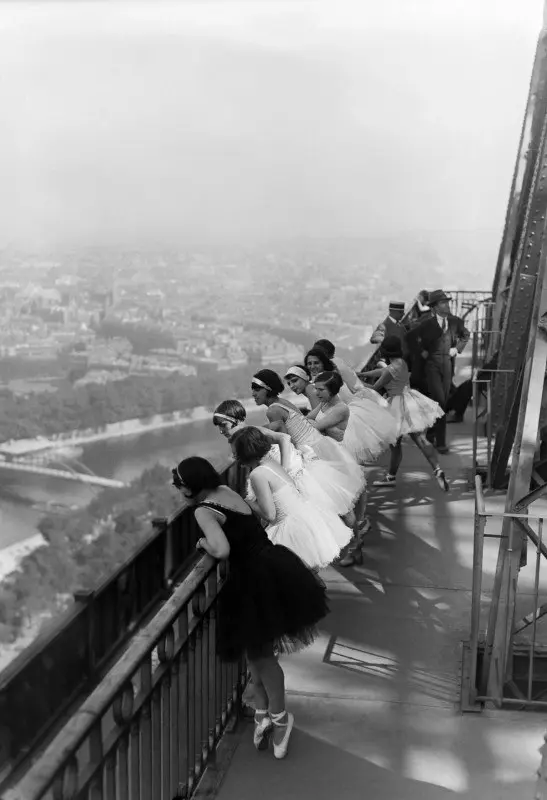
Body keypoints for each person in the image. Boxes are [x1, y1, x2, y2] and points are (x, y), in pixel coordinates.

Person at [172, 455, 328, 758]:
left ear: (191, 488)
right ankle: (262, 712)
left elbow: (222, 548)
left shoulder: (203, 511)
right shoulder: (226, 493)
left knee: (262, 657)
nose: (180, 492)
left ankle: (281, 717)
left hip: (253, 581)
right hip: (272, 565)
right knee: (256, 654)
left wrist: (204, 544)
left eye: (180, 487)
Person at [212, 398, 355, 527]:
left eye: (223, 425)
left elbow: (284, 438)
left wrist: (285, 470)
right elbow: (279, 426)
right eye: (218, 427)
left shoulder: (253, 432)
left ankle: (354, 543)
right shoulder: (243, 437)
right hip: (280, 478)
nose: (220, 431)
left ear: (236, 420)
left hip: (294, 475)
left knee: (331, 509)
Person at [250, 368, 366, 528]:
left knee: (334, 503)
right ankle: (356, 542)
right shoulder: (283, 402)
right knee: (339, 500)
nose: (253, 394)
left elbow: (286, 441)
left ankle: (354, 543)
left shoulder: (273, 410)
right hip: (321, 445)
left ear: (267, 389)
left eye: (257, 389)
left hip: (310, 454)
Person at [230, 427, 352, 569]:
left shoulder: (257, 475)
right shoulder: (272, 464)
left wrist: (247, 502)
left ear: (244, 452)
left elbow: (270, 515)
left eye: (235, 453)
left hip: (291, 528)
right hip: (307, 519)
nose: (234, 457)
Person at [359, 335, 449, 493]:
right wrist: (360, 374)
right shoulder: (401, 363)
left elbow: (374, 388)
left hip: (396, 405)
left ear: (385, 350)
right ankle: (437, 469)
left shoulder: (390, 369)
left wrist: (357, 382)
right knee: (421, 439)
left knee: (395, 444)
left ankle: (391, 477)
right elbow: (381, 371)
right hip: (410, 400)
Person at [304, 349, 397, 465]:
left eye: (316, 363)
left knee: (346, 457)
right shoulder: (326, 376)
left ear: (323, 363)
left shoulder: (326, 379)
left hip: (346, 416)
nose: (312, 366)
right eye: (309, 363)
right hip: (346, 413)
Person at [405, 289, 470, 454]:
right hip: (430, 369)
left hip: (446, 367)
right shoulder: (425, 323)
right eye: (442, 303)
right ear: (433, 307)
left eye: (447, 302)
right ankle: (440, 443)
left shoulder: (455, 321)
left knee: (440, 402)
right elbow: (410, 338)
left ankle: (432, 434)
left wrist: (457, 349)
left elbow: (466, 335)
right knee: (440, 402)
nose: (446, 305)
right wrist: (422, 353)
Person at [312, 338, 389, 407]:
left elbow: (353, 386)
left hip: (356, 401)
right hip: (363, 396)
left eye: (317, 352)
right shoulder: (337, 362)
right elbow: (355, 381)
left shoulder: (333, 365)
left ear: (326, 354)